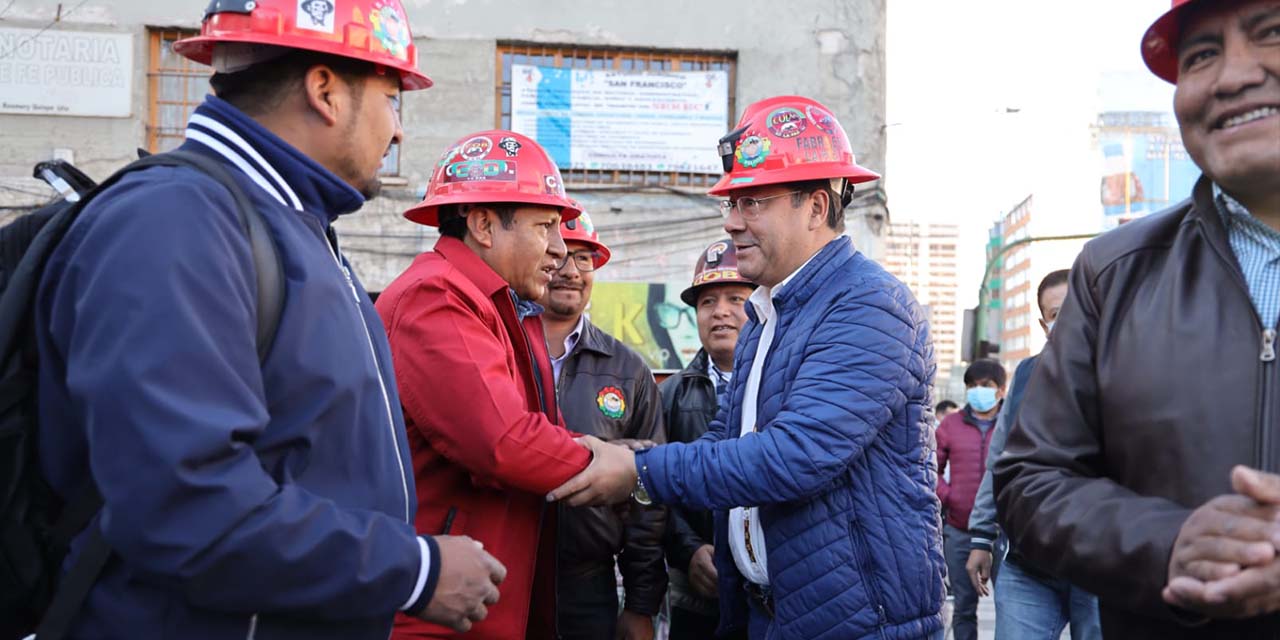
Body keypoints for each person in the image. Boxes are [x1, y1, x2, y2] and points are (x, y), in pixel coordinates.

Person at [32, 1, 507, 637]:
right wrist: (412, 570)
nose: (398, 132)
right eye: (393, 99)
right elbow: (184, 507)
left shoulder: (291, 228)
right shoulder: (176, 223)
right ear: (325, 91)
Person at [548, 95, 946, 639]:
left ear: (816, 206)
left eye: (753, 201)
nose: (732, 223)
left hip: (856, 621)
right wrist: (629, 455)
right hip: (768, 611)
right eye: (731, 203)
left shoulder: (870, 306)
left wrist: (639, 473)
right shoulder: (767, 313)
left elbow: (796, 455)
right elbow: (726, 435)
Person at [994, 0, 1280, 637]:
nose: (1233, 76)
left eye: (1271, 34)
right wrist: (1169, 543)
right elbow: (1029, 480)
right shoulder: (1113, 271)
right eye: (1202, 54)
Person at [376, 129, 594, 639]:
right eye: (545, 227)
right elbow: (502, 441)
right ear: (482, 225)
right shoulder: (437, 296)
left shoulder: (498, 307)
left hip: (478, 600)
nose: (560, 251)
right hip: (436, 616)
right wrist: (619, 467)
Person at [537, 212, 668, 640]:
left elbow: (648, 496)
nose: (571, 271)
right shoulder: (497, 348)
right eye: (559, 256)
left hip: (587, 587)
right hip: (503, 572)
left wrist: (640, 604)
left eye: (585, 259)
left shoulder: (628, 370)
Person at [965, 270, 1102, 639]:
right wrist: (981, 536)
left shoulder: (1123, 368)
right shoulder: (1026, 374)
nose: (1065, 320)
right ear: (1044, 324)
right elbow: (1000, 460)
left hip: (1100, 562)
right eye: (1056, 314)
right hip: (1028, 564)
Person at [659, 240, 756, 640]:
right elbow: (652, 490)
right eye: (707, 302)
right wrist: (689, 549)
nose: (720, 312)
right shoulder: (668, 394)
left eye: (736, 298)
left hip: (773, 593)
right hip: (695, 593)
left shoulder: (788, 387)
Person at [935, 359, 1006, 640]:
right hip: (960, 528)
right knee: (964, 609)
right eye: (972, 386)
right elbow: (931, 468)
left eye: (985, 386)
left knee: (1010, 609)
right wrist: (949, 496)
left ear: (1001, 389)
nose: (978, 391)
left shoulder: (1014, 421)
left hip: (1005, 534)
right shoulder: (950, 425)